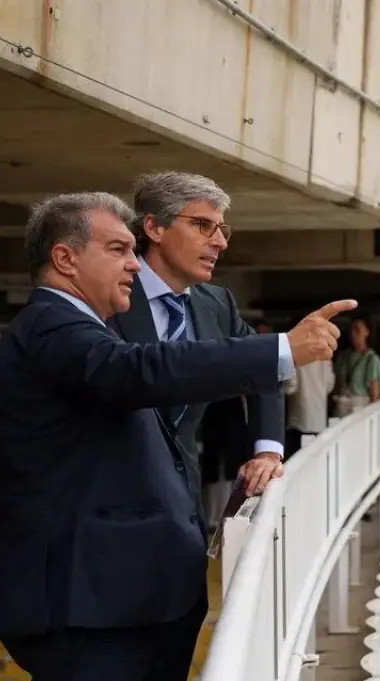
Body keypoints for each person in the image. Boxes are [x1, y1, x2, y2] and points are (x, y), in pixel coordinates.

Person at [0, 191, 354, 681]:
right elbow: (136, 374)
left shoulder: (84, 326)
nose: (135, 263)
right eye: (119, 249)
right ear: (65, 258)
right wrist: (282, 349)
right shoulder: (52, 324)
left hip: (122, 597)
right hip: (88, 606)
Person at [107, 172, 284, 507]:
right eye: (203, 225)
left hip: (183, 503)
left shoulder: (217, 304)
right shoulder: (107, 292)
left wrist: (267, 453)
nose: (220, 242)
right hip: (106, 510)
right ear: (154, 228)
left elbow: (264, 364)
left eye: (221, 229)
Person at [333, 316, 380, 417]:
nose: (353, 334)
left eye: (357, 330)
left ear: (367, 332)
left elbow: (375, 395)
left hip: (359, 410)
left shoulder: (371, 359)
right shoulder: (343, 357)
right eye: (351, 330)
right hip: (341, 410)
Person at [284, 358, 335, 458]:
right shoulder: (325, 357)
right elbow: (330, 386)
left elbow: (290, 387)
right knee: (316, 461)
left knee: (297, 462)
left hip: (299, 420)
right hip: (319, 421)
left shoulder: (298, 355)